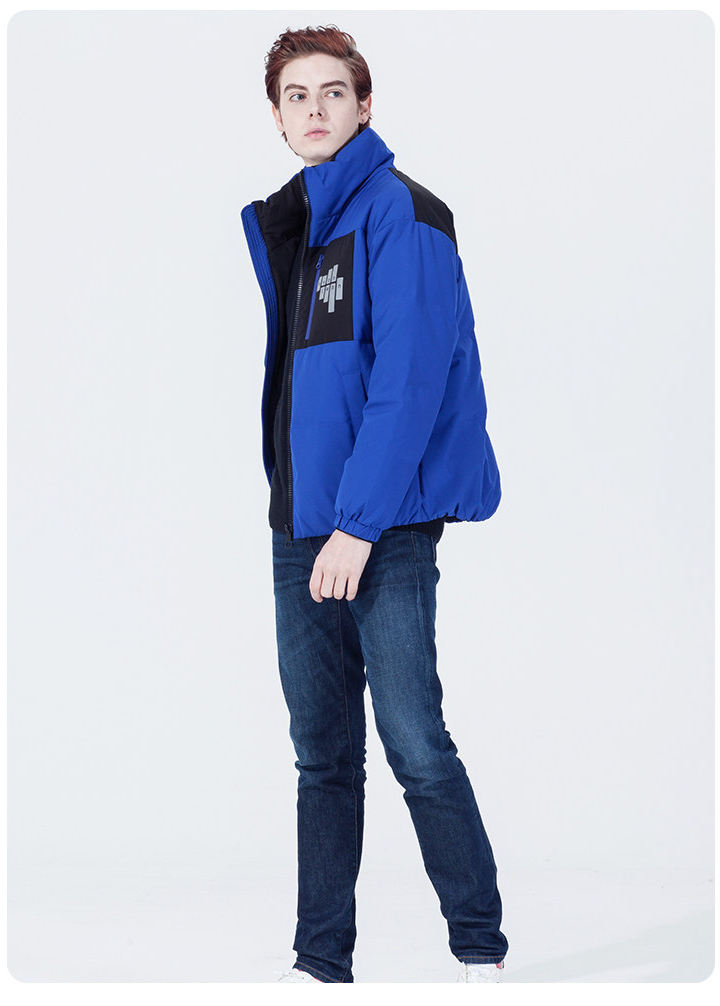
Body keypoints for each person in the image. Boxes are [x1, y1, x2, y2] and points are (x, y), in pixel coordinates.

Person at [241, 25, 508, 984]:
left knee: (414, 742)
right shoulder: (307, 224)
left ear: (364, 106)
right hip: (301, 526)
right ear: (278, 119)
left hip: (379, 527)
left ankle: (480, 952)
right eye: (296, 96)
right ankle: (321, 964)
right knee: (321, 757)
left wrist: (356, 526)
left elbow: (410, 381)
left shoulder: (403, 213)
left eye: (332, 92)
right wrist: (307, 518)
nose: (314, 109)